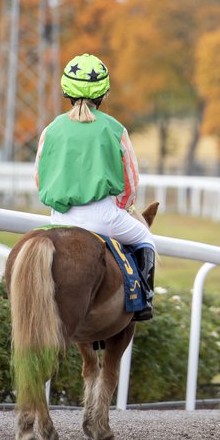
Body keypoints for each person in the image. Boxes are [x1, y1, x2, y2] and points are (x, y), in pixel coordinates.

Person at [35, 53, 156, 321]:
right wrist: (123, 208)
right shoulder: (114, 128)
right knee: (146, 238)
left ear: (66, 90)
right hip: (103, 217)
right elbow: (130, 182)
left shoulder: (51, 129)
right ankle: (144, 301)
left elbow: (39, 179)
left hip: (59, 218)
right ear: (103, 93)